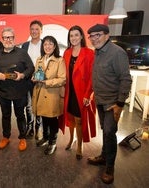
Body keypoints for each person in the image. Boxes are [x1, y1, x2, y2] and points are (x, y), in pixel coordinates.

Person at [87, 24, 132, 184]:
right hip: (100, 100)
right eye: (91, 36)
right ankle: (104, 156)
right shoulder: (98, 52)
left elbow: (125, 79)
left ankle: (110, 167)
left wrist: (119, 104)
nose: (94, 39)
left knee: (109, 133)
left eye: (97, 35)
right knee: (105, 131)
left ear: (107, 35)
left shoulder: (117, 53)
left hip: (112, 103)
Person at [0, 27, 34, 151]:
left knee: (20, 115)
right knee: (5, 115)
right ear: (2, 39)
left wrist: (22, 75)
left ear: (14, 38)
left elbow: (31, 68)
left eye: (10, 37)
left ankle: (22, 138)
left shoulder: (22, 53)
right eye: (5, 37)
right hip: (3, 91)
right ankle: (6, 137)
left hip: (19, 91)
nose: (8, 40)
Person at [62, 25, 96, 160]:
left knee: (79, 120)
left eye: (76, 35)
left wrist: (88, 94)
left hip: (81, 92)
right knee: (70, 119)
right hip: (69, 91)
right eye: (71, 35)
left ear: (81, 36)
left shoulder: (89, 53)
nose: (74, 38)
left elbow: (92, 76)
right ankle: (71, 139)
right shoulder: (67, 52)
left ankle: (79, 145)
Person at [32, 35, 66, 155]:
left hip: (52, 95)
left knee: (52, 120)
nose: (48, 46)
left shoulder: (59, 60)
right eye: (45, 44)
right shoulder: (39, 59)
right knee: (43, 117)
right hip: (40, 93)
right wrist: (34, 78)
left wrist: (47, 82)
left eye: (50, 44)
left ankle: (53, 142)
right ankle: (46, 138)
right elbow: (36, 74)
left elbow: (62, 79)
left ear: (55, 46)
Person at [21, 20, 43, 140]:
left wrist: (39, 77)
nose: (34, 31)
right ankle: (30, 126)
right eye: (32, 29)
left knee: (39, 106)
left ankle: (38, 127)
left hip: (40, 80)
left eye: (37, 29)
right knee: (28, 105)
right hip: (27, 80)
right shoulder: (24, 45)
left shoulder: (45, 44)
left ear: (41, 31)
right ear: (30, 31)